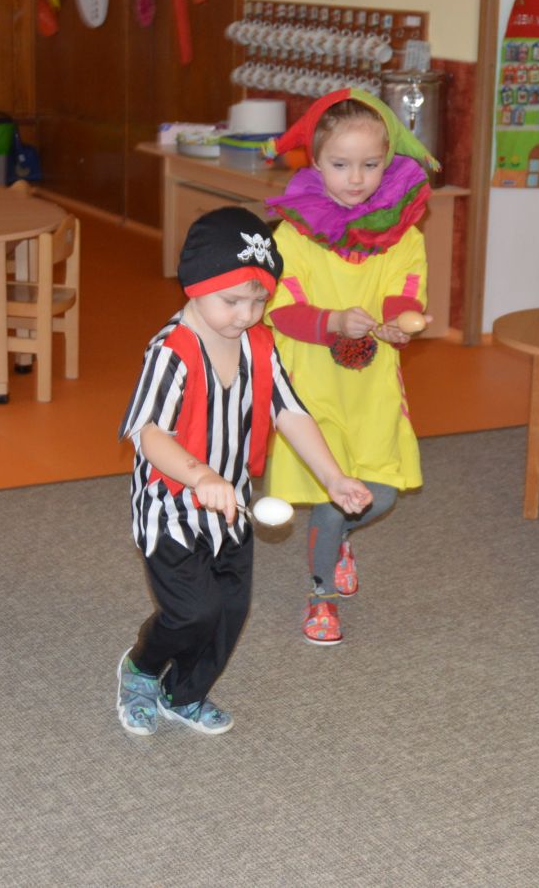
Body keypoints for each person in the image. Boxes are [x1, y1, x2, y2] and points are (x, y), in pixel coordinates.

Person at [116, 207, 372, 737]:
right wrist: (200, 476)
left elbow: (291, 412)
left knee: (230, 611)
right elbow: (150, 434)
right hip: (171, 508)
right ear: (194, 286)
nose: (246, 315)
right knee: (191, 611)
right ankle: (141, 667)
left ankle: (185, 693)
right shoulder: (171, 351)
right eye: (231, 301)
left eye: (259, 301)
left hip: (232, 504)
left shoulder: (259, 344)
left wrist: (333, 478)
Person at [261, 89, 438, 646]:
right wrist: (334, 321)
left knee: (381, 492)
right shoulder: (292, 234)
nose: (356, 178)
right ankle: (322, 597)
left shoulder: (404, 235)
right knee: (330, 495)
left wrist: (400, 323)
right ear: (315, 161)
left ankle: (338, 539)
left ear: (388, 161)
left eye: (370, 164)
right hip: (311, 390)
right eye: (340, 165)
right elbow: (281, 310)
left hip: (372, 388)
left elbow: (404, 293)